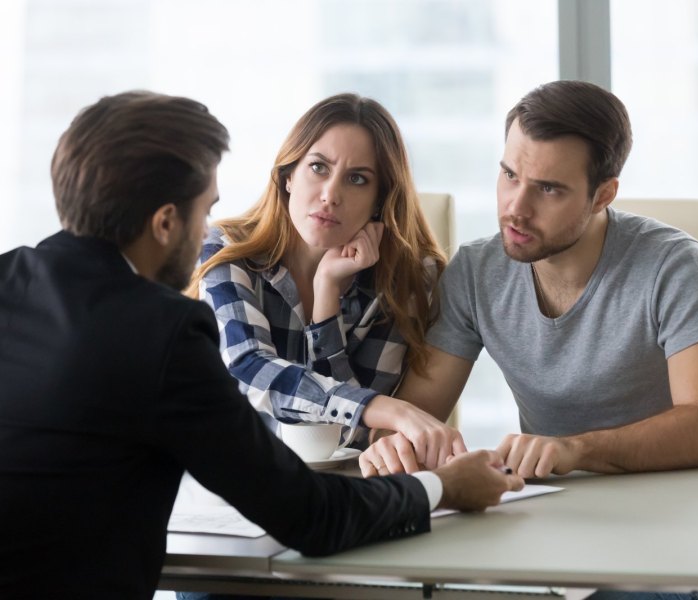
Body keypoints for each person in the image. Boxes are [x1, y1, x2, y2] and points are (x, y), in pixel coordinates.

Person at [0, 91, 524, 599]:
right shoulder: (166, 329)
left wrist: (326, 299)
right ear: (165, 223)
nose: (208, 227)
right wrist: (445, 488)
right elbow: (309, 516)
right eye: (205, 210)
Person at [361, 79, 698, 481]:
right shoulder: (476, 272)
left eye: (548, 189)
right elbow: (413, 414)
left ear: (603, 196)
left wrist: (573, 449)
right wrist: (394, 441)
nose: (516, 208)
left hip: (675, 502)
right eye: (509, 175)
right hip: (551, 506)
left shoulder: (673, 265)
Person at [188, 93, 464, 469]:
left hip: (347, 487)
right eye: (318, 167)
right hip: (235, 486)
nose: (330, 195)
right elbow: (249, 369)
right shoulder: (226, 250)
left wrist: (326, 299)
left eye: (357, 179)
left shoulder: (408, 279)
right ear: (288, 177)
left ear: (379, 200)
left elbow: (353, 438)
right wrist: (382, 409)